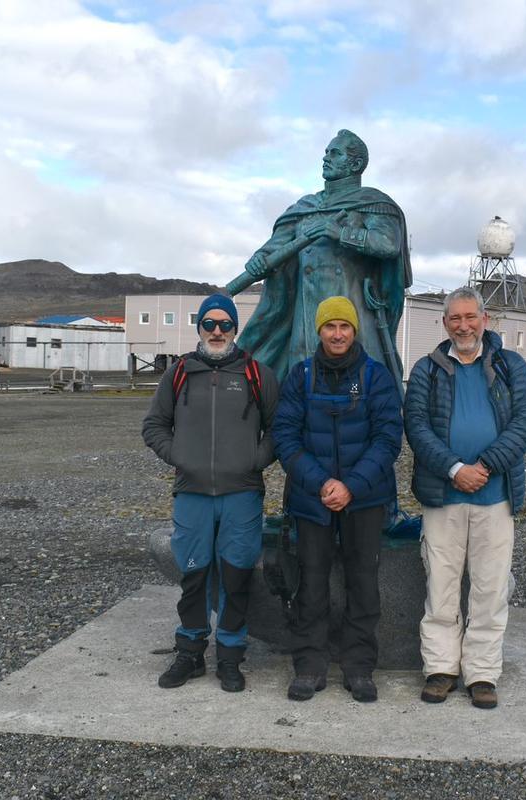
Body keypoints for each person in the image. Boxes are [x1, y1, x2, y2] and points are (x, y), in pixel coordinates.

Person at [402, 286, 526, 710]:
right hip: (443, 497)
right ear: (444, 324)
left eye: (470, 317)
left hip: (495, 496)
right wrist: (454, 469)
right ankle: (441, 668)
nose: (463, 325)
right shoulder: (427, 370)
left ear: (485, 319)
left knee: (489, 588)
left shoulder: (511, 365)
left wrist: (484, 466)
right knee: (440, 585)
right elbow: (417, 427)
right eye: (455, 319)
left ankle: (482, 673)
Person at [141, 294, 280, 693]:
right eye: (209, 324)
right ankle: (189, 653)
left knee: (236, 575)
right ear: (199, 328)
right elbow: (153, 425)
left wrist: (256, 459)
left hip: (242, 493)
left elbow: (279, 429)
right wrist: (179, 456)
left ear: (235, 328)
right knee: (194, 573)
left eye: (225, 324)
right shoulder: (180, 373)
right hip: (193, 493)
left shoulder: (257, 374)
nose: (217, 331)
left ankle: (231, 656)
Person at [271, 295, 403, 703]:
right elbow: (285, 437)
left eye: (345, 326)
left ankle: (359, 666)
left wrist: (351, 486)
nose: (338, 333)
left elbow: (387, 439)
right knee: (310, 582)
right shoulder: (301, 376)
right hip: (313, 501)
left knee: (363, 582)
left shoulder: (376, 377)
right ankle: (309, 664)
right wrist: (323, 484)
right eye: (330, 326)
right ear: (320, 331)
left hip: (363, 500)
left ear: (353, 330)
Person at [237, 130, 411, 390]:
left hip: (355, 318)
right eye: (326, 152)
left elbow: (388, 244)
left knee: (364, 390)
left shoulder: (372, 202)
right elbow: (273, 248)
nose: (326, 157)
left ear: (355, 164)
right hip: (305, 321)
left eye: (335, 153)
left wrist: (340, 233)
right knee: (301, 389)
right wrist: (259, 259)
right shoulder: (305, 207)